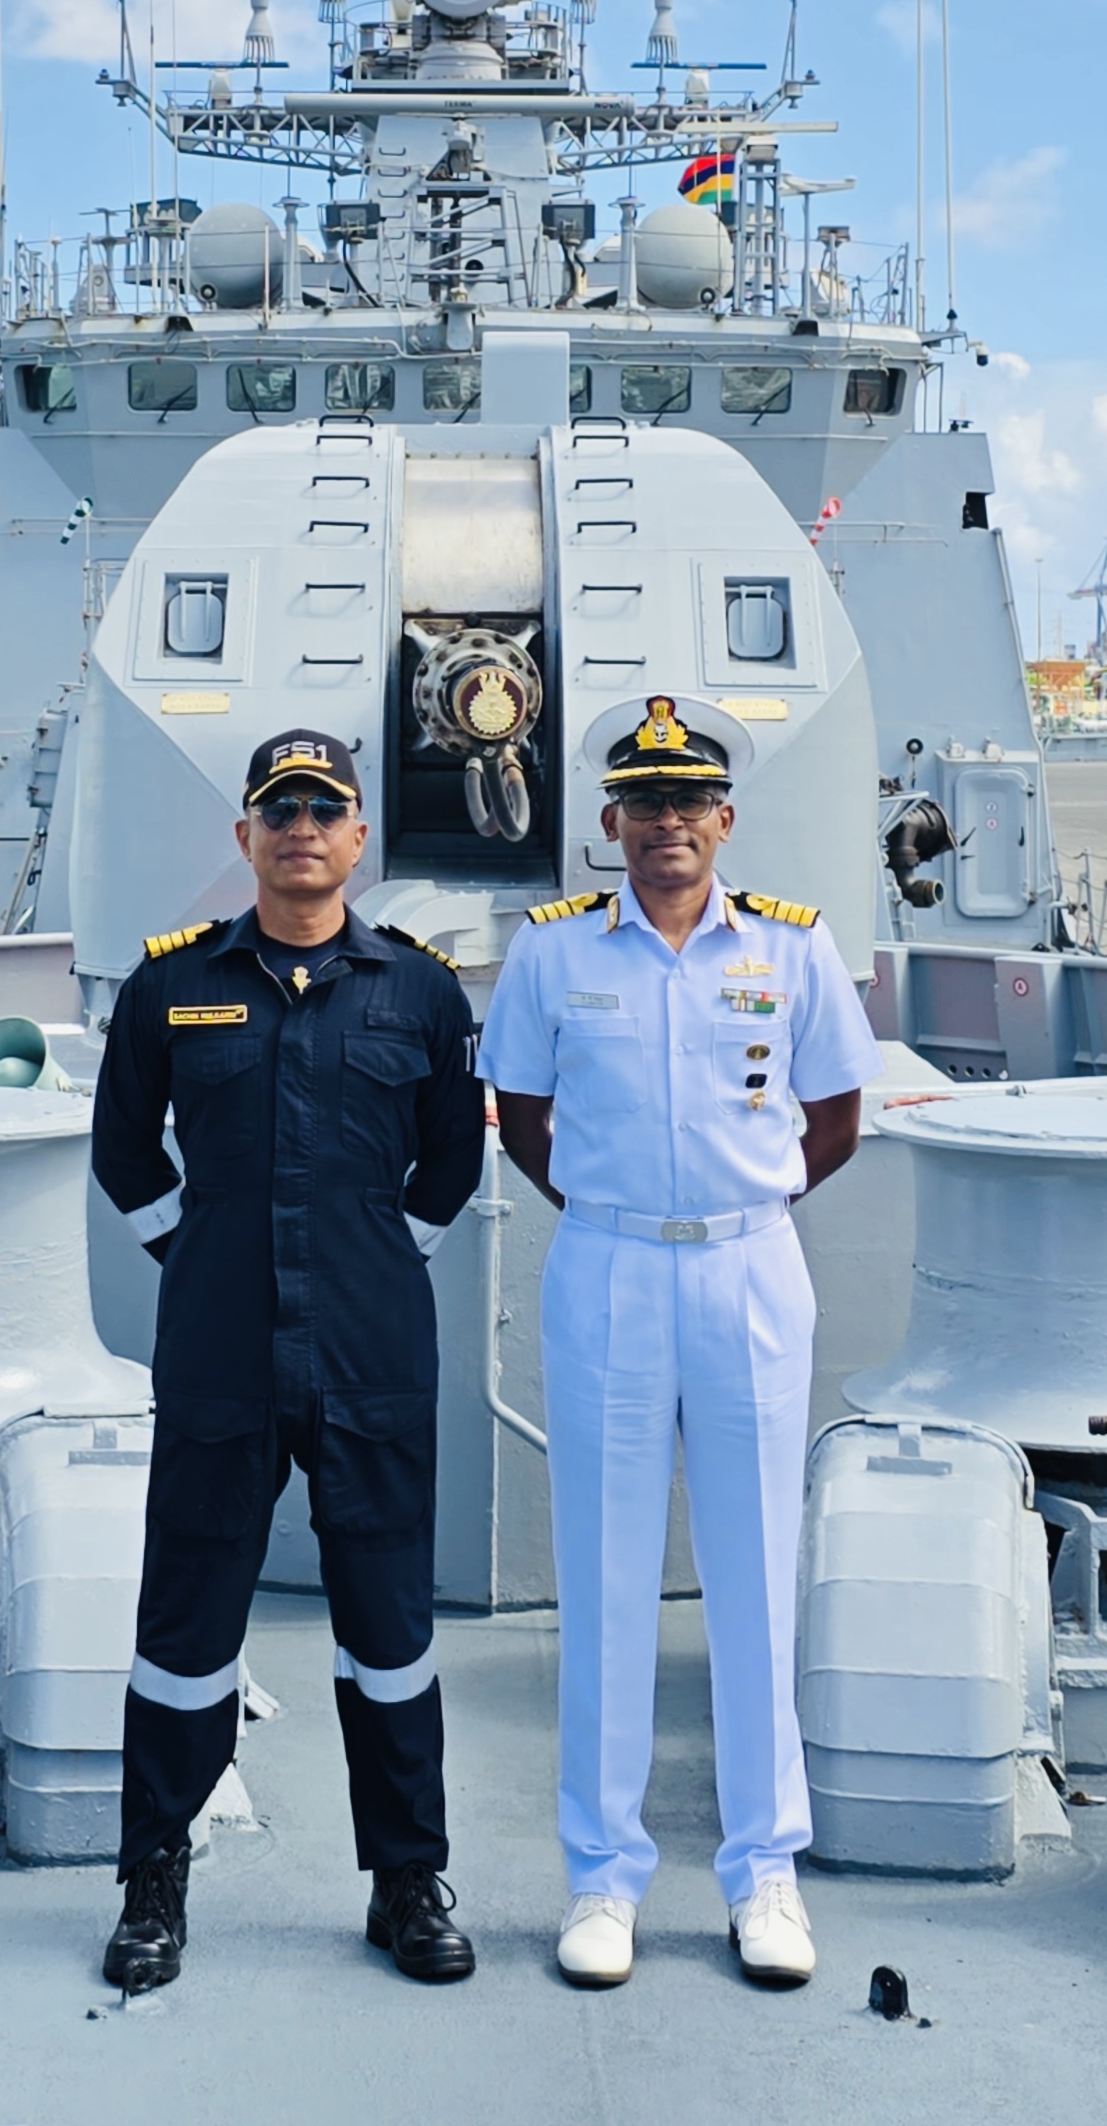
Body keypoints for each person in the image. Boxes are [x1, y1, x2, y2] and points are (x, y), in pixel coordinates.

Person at [477, 696, 878, 1994]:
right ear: (611, 823)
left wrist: (738, 1205)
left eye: (687, 802)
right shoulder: (550, 957)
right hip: (605, 1266)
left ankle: (767, 1873)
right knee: (602, 1575)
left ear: (725, 819)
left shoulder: (793, 952)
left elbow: (837, 1115)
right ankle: (603, 1879)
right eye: (642, 804)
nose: (666, 825)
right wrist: (627, 1211)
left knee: (756, 1571)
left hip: (753, 1267)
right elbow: (522, 1116)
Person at [88, 728, 491, 1994]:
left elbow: (450, 1165)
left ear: (359, 836)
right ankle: (155, 1878)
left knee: (392, 1630)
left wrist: (380, 1255)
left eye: (325, 809)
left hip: (371, 1355)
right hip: (218, 1357)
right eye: (279, 809)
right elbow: (123, 1154)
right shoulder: (171, 988)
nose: (302, 827)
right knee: (185, 1624)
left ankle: (406, 1882)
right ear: (246, 838)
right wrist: (197, 1254)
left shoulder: (420, 992)